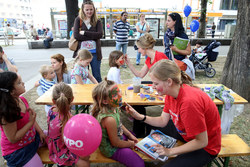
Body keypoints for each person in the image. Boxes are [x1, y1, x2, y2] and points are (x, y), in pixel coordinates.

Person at [126, 59, 221, 167]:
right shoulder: (171, 94)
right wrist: (140, 117)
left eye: (156, 83)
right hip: (186, 134)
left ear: (169, 82)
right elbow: (162, 121)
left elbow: (202, 142)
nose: (152, 86)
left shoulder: (189, 103)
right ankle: (152, 154)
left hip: (205, 147)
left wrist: (169, 151)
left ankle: (162, 155)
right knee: (149, 124)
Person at [91, 79, 144, 167]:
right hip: (111, 149)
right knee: (139, 164)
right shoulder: (109, 119)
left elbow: (119, 124)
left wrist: (129, 135)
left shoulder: (113, 107)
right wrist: (131, 144)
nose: (120, 95)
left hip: (116, 137)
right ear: (105, 101)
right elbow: (115, 143)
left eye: (119, 91)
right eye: (115, 95)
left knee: (132, 134)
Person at [125, 33, 168, 137]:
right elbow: (139, 75)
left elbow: (167, 78)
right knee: (137, 104)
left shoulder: (160, 56)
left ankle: (138, 134)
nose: (138, 50)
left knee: (137, 105)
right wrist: (129, 63)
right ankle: (139, 133)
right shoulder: (149, 58)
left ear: (144, 47)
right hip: (157, 89)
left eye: (139, 48)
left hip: (165, 92)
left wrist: (155, 89)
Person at [0, 71, 46, 167]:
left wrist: (41, 132)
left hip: (32, 140)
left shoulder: (22, 99)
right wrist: (30, 123)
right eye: (19, 82)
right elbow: (13, 138)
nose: (23, 83)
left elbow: (31, 119)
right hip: (17, 151)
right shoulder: (8, 112)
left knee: (55, 137)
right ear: (12, 91)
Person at [47, 82, 90, 167]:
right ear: (72, 99)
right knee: (85, 162)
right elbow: (68, 142)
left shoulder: (51, 110)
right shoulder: (68, 119)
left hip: (53, 145)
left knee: (85, 155)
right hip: (60, 150)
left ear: (53, 101)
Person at [73, 0, 103, 83]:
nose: (89, 11)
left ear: (94, 9)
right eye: (87, 10)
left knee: (96, 76)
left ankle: (98, 93)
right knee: (83, 76)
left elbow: (100, 34)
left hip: (95, 53)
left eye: (91, 9)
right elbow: (76, 36)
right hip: (82, 54)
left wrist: (85, 33)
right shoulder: (78, 20)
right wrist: (93, 35)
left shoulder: (97, 21)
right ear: (83, 10)